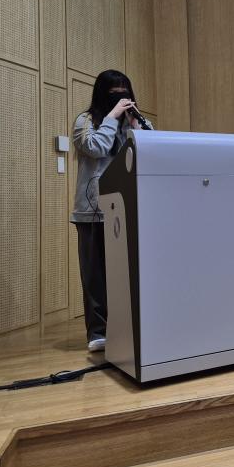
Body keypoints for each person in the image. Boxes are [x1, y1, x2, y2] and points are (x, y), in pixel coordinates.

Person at [71, 70, 150, 352]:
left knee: (128, 275)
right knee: (95, 276)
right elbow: (97, 147)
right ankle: (98, 332)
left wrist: (136, 128)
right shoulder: (85, 121)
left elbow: (153, 153)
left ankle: (129, 328)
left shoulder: (136, 122)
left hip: (128, 209)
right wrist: (112, 117)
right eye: (114, 92)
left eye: (124, 91)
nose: (120, 96)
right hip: (92, 212)